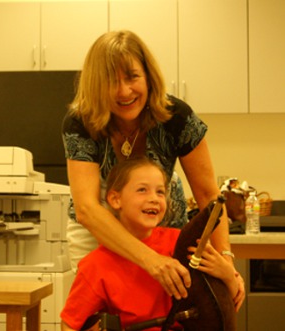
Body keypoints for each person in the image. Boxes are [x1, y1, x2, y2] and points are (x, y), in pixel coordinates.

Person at [62, 30, 244, 307]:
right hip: (98, 227)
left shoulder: (177, 117)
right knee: (99, 308)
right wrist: (150, 261)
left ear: (148, 76)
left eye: (132, 77)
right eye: (110, 81)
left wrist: (227, 262)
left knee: (167, 308)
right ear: (95, 84)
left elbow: (208, 195)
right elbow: (87, 208)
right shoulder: (80, 121)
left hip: (162, 225)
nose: (124, 91)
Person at [60, 158, 239, 331]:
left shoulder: (182, 243)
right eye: (142, 190)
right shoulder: (95, 265)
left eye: (160, 192)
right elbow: (69, 324)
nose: (154, 198)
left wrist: (228, 275)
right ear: (115, 199)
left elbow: (228, 304)